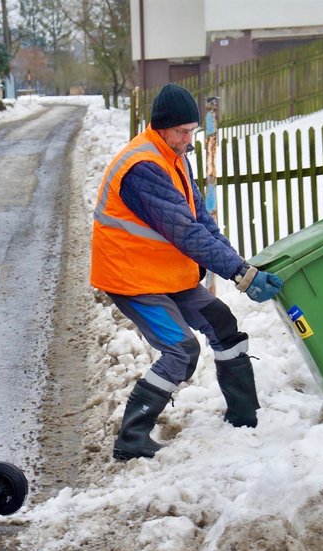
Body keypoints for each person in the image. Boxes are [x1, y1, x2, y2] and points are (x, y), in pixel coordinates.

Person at [90, 83, 284, 461]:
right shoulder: (143, 168)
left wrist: (243, 268)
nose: (188, 139)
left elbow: (202, 222)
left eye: (192, 131)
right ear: (160, 128)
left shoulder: (174, 157)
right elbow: (186, 233)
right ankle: (131, 439)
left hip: (165, 274)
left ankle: (244, 416)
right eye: (182, 132)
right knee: (181, 350)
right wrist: (240, 275)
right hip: (132, 279)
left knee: (224, 325)